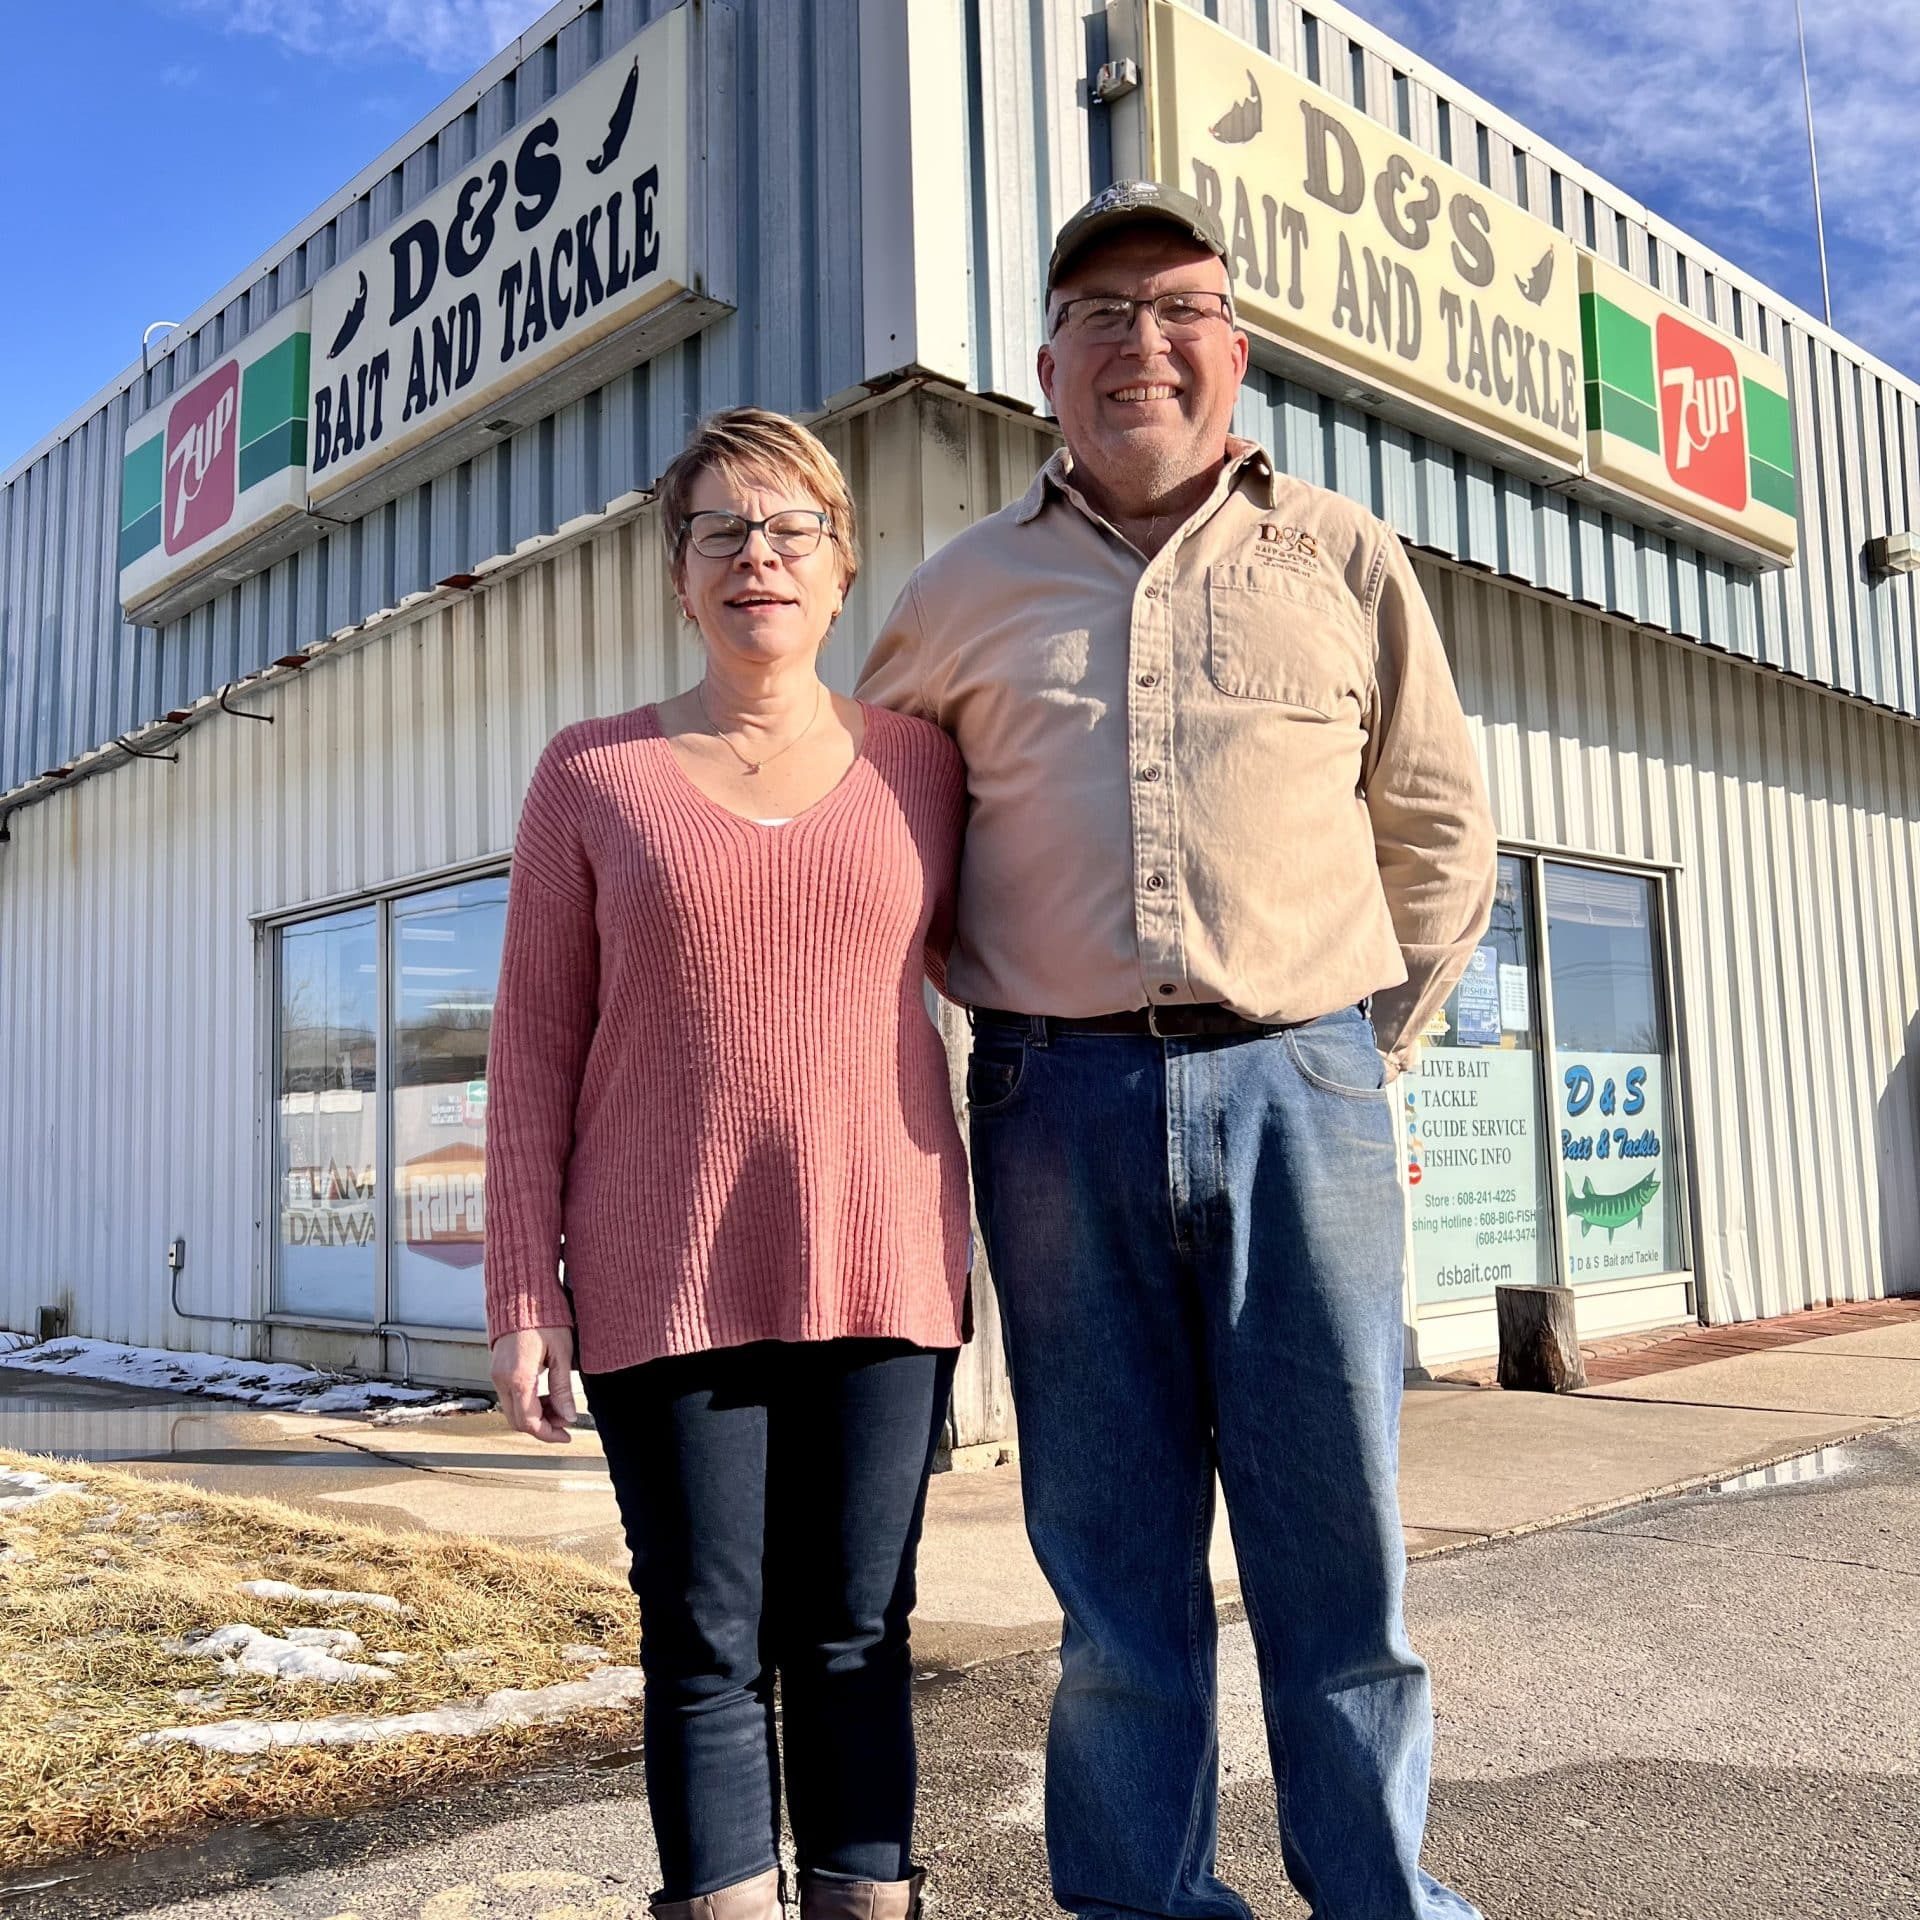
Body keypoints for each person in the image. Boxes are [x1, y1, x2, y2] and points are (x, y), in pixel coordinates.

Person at [857, 184, 1495, 1920]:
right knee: (1113, 1563)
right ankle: (1142, 1906)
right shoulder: (955, 596)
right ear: (1048, 367)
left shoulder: (1346, 562)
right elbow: (873, 861)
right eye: (1104, 315)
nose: (1145, 341)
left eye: (1181, 308)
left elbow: (1435, 837)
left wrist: (1358, 1053)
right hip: (1055, 1106)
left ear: (1236, 349)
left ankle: (1379, 1897)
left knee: (1336, 1558)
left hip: (1305, 1088)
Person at [484, 407, 969, 1920]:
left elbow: (1033, 962)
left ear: (842, 573)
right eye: (721, 532)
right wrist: (521, 1292)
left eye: (792, 531)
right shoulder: (593, 776)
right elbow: (531, 1051)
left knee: (857, 1625)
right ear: (678, 577)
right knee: (703, 1638)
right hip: (659, 1267)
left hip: (882, 1262)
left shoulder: (925, 769)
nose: (758, 557)